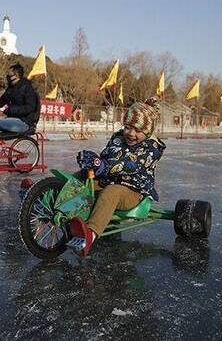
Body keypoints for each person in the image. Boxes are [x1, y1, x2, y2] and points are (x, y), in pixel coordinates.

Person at [67, 97, 165, 257]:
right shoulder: (118, 138)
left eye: (137, 130)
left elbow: (131, 165)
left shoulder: (151, 148)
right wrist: (94, 162)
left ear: (147, 131)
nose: (131, 133)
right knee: (84, 177)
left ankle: (90, 234)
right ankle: (51, 196)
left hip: (132, 191)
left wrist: (104, 166)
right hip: (110, 179)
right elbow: (107, 156)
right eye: (127, 127)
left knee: (111, 192)